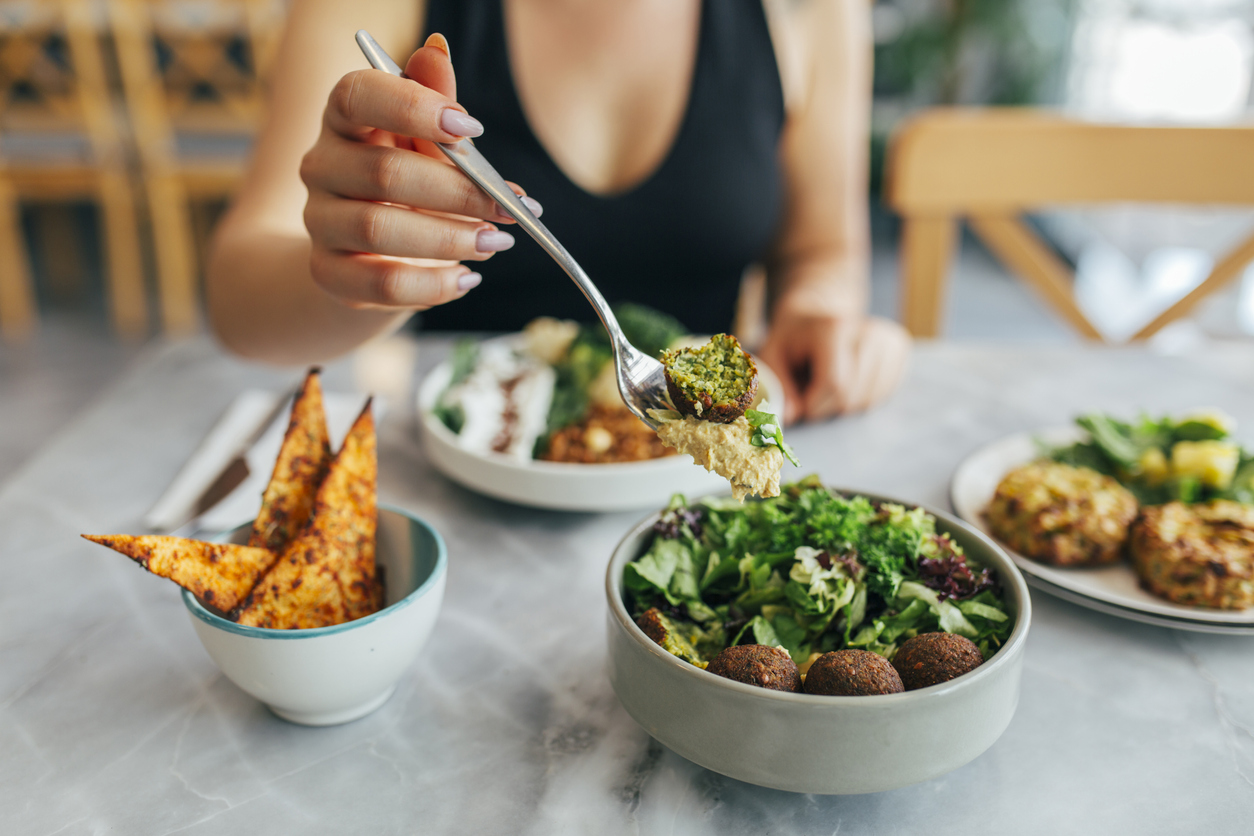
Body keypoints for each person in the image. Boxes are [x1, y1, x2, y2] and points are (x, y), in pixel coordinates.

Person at [207, 0, 910, 423]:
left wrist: (818, 311)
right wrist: (360, 277)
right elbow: (236, 297)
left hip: (693, 485)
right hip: (452, 479)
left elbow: (820, 248)